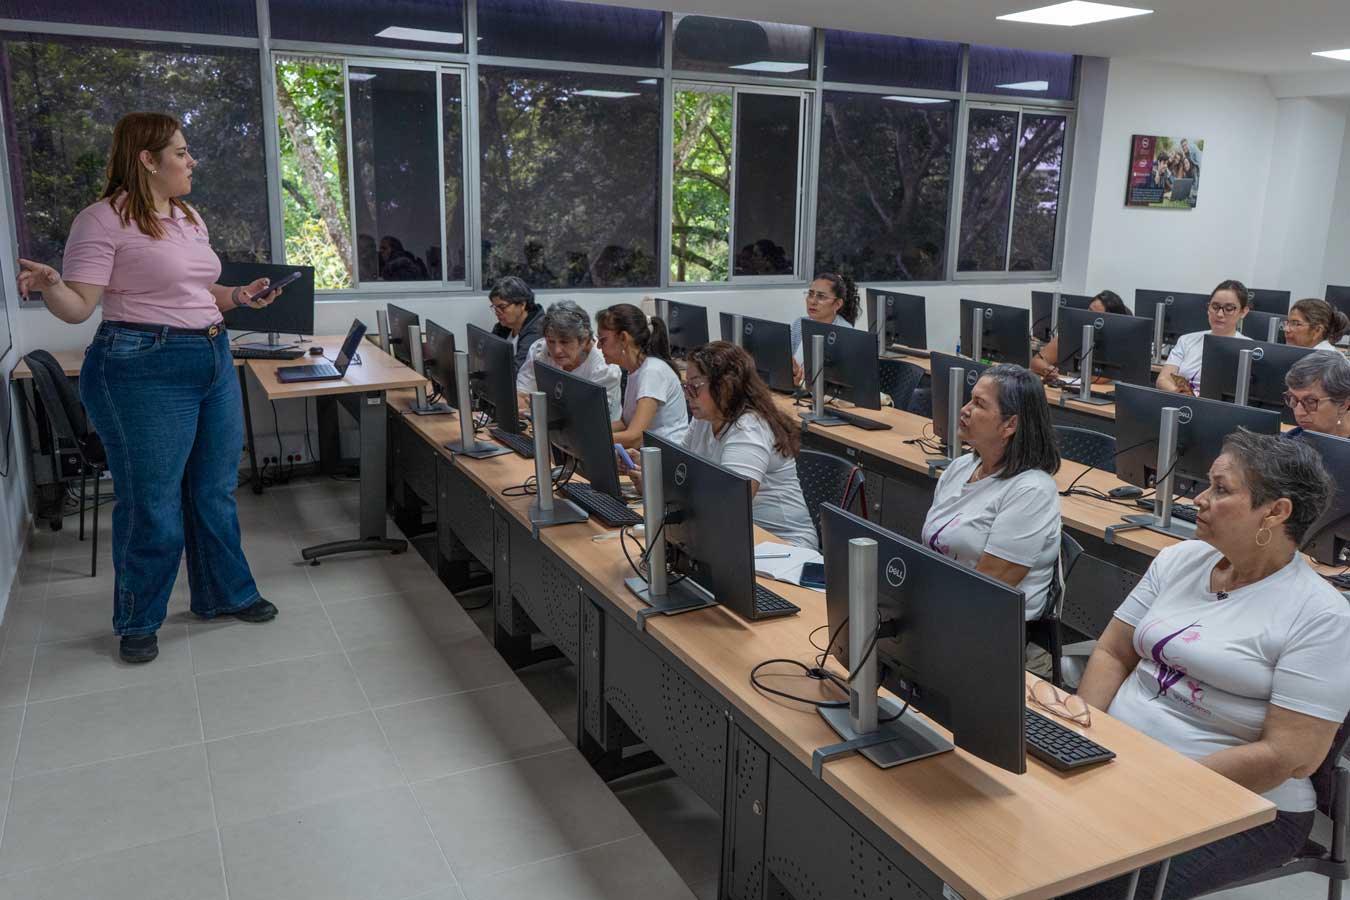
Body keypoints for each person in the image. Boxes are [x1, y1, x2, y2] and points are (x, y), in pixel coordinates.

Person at [16, 112, 280, 664]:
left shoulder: (186, 215)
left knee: (213, 489)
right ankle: (139, 619)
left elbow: (199, 288)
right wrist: (52, 284)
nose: (191, 161)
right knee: (152, 502)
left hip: (212, 355)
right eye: (181, 153)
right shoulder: (100, 220)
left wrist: (240, 297)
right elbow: (79, 307)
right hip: (142, 367)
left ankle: (225, 594)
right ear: (147, 160)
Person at [1067, 431, 1350, 900]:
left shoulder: (1322, 616)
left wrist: (1152, 783)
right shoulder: (1180, 559)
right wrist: (1084, 732)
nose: (1199, 498)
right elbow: (1113, 651)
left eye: (1221, 489)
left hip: (1246, 805)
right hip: (1117, 762)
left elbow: (1288, 755)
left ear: (1275, 512)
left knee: (1078, 883)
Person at [620, 342, 818, 549]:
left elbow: (728, 505)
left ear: (725, 386)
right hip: (738, 536)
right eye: (686, 386)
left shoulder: (748, 429)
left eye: (695, 386)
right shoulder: (704, 419)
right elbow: (681, 472)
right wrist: (648, 468)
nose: (687, 395)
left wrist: (658, 486)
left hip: (784, 545)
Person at [920, 364, 1062, 623]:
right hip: (944, 605)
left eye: (979, 404)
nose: (964, 409)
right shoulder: (961, 467)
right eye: (970, 399)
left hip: (991, 625)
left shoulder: (1032, 492)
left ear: (1010, 424)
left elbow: (987, 587)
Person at [596, 303, 689, 449]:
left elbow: (635, 438)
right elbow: (625, 423)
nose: (598, 346)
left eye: (603, 340)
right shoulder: (634, 371)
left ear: (623, 338)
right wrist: (590, 429)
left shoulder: (652, 372)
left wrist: (592, 438)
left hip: (668, 458)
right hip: (648, 455)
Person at [515, 299, 621, 416]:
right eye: (551, 341)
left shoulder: (604, 368)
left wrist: (541, 410)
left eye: (565, 342)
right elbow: (521, 395)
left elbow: (592, 418)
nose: (556, 350)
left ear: (584, 340)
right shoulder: (540, 350)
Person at [1156, 279, 1252, 396]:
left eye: (1229, 309)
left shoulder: (1248, 350)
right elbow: (1163, 380)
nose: (1219, 314)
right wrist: (1179, 393)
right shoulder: (1186, 340)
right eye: (1215, 306)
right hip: (1184, 402)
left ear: (1243, 312)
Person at [1030, 290, 1130, 381]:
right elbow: (1036, 361)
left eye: (1096, 315)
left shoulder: (1117, 346)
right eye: (1089, 311)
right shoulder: (1072, 334)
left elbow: (1100, 379)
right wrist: (1047, 369)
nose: (1088, 317)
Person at [791, 272, 860, 384]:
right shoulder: (799, 323)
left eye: (821, 297)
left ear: (837, 304)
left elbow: (844, 379)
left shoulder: (846, 333)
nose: (812, 301)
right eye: (810, 294)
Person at [1283, 351, 1350, 438]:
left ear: (1343, 405)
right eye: (1293, 398)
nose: (1299, 413)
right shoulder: (1292, 437)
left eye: (1310, 401)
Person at [488, 275, 545, 374]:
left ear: (522, 304)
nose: (497, 312)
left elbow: (517, 372)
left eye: (502, 307)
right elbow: (487, 355)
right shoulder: (503, 326)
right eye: (495, 307)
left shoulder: (537, 332)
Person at [1283, 298, 1349, 351]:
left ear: (1317, 330)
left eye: (1295, 324)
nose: (1286, 329)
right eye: (1287, 323)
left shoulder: (1325, 359)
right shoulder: (1307, 355)